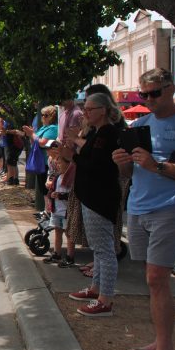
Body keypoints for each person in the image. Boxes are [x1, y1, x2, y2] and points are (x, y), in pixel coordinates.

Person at [111, 68, 175, 350]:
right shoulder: (140, 125)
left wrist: (158, 165)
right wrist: (122, 161)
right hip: (139, 206)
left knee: (157, 277)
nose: (149, 100)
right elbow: (128, 175)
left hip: (171, 206)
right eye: (144, 94)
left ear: (170, 88)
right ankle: (160, 342)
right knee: (151, 281)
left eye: (155, 93)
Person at [63, 92, 121, 317]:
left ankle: (105, 299)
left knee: (104, 250)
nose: (85, 113)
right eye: (84, 108)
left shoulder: (108, 133)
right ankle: (97, 288)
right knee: (97, 248)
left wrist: (73, 153)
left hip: (100, 197)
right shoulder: (97, 132)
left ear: (103, 110)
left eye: (90, 109)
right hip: (90, 195)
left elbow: (96, 164)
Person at [23, 105, 58, 214]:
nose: (43, 117)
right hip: (40, 161)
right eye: (42, 115)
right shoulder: (43, 128)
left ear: (52, 116)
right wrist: (31, 135)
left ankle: (48, 211)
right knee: (43, 188)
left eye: (45, 115)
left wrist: (32, 134)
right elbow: (35, 142)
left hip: (47, 161)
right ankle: (46, 210)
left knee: (47, 188)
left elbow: (43, 143)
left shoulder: (53, 128)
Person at [42, 155, 75, 266]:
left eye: (60, 163)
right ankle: (57, 253)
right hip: (57, 210)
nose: (57, 165)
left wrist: (61, 196)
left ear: (69, 164)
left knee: (68, 234)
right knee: (57, 231)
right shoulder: (57, 177)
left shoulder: (71, 178)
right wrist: (51, 194)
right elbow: (51, 190)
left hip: (66, 211)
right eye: (57, 163)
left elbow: (73, 196)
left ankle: (70, 257)